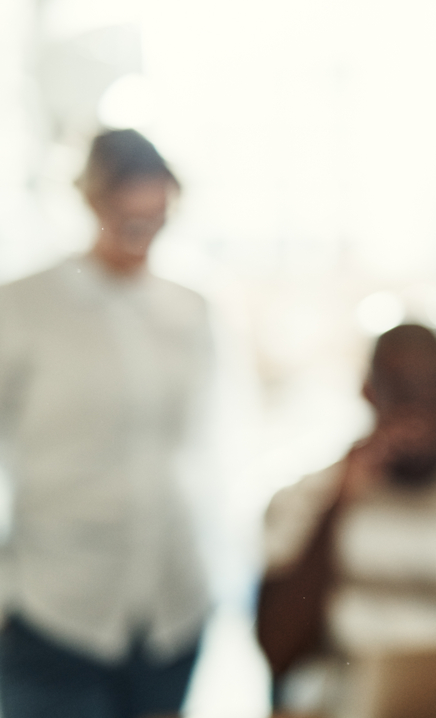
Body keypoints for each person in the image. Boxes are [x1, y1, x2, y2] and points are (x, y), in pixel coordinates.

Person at [0, 129, 214, 718]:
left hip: (171, 608)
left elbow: (205, 451)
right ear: (93, 202)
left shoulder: (189, 309)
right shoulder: (21, 306)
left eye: (158, 219)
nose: (143, 237)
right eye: (130, 220)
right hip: (52, 605)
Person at [258, 323, 436, 718]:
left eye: (431, 392)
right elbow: (277, 650)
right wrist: (338, 505)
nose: (418, 411)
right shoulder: (306, 500)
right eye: (403, 392)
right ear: (369, 393)